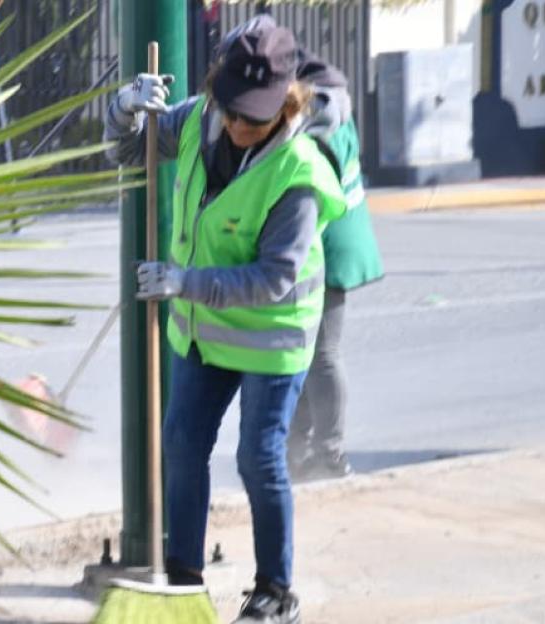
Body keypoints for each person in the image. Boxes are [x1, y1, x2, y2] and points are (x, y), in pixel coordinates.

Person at [104, 21, 346, 624]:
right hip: (201, 331)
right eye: (234, 111)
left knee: (258, 458)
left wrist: (183, 282)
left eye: (256, 118)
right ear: (217, 91)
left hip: (272, 332)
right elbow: (127, 153)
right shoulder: (195, 119)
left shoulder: (298, 173)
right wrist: (125, 110)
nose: (240, 127)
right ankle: (182, 580)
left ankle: (275, 589)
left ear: (286, 103)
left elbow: (273, 279)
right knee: (182, 443)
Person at [219, 16, 385, 482]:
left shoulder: (319, 106)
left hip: (329, 238)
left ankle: (330, 456)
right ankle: (298, 452)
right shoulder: (315, 94)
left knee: (322, 351)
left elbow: (287, 178)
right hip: (321, 233)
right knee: (304, 350)